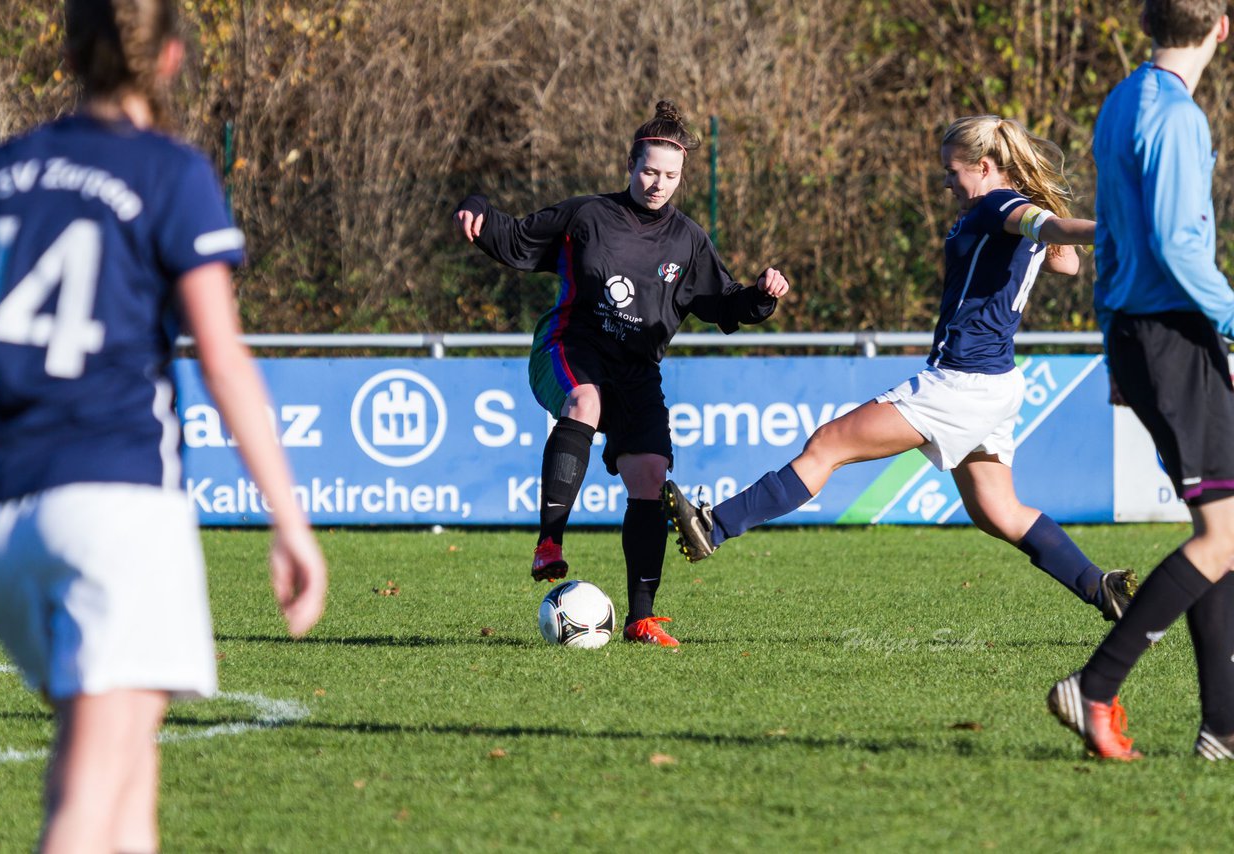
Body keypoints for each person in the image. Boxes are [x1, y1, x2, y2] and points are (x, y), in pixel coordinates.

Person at [0, 1, 328, 849]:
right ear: (169, 59)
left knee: (128, 772)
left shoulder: (0, 170)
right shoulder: (170, 170)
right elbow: (223, 360)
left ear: (69, 50)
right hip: (113, 506)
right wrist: (289, 521)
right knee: (83, 803)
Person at [663, 115, 1136, 623]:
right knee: (1000, 513)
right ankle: (1099, 586)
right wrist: (1043, 224)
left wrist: (1103, 232)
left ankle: (714, 526)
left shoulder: (998, 204)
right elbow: (1065, 262)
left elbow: (1051, 232)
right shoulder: (1002, 208)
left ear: (983, 166)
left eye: (952, 172)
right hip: (994, 383)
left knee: (828, 445)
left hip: (960, 382)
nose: (947, 182)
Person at [454, 101, 789, 647]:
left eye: (671, 176)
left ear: (682, 177)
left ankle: (640, 617)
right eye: (650, 171)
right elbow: (514, 237)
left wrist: (761, 296)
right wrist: (477, 208)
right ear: (630, 166)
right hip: (570, 347)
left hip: (636, 369)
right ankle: (549, 543)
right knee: (584, 402)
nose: (659, 184)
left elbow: (724, 304)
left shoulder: (688, 240)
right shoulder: (588, 217)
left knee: (651, 475)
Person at [1047, 0, 1234, 762]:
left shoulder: (1122, 99)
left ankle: (1221, 727)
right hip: (1170, 332)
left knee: (1220, 531)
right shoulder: (1178, 117)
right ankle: (1094, 684)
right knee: (1225, 533)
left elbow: (1122, 240)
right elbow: (1176, 246)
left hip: (1140, 332)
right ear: (1223, 26)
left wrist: (1116, 341)